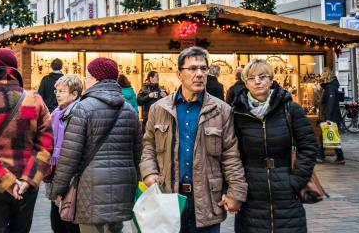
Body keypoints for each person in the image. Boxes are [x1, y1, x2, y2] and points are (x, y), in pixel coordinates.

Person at [140, 47, 246, 233]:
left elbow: (230, 155)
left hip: (207, 200)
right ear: (179, 74)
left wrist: (236, 192)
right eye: (193, 69)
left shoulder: (221, 110)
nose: (199, 74)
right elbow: (148, 145)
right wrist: (149, 173)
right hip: (168, 197)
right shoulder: (160, 109)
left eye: (203, 69)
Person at [0, 48, 52, 233]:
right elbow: (45, 145)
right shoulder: (35, 99)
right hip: (25, 183)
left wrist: (6, 181)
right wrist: (27, 180)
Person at [51, 57, 141, 233]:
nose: (85, 80)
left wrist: (58, 189)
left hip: (90, 188)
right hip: (123, 187)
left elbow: (70, 155)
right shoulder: (129, 110)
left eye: (87, 76)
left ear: (95, 79)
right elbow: (137, 153)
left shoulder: (83, 108)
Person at [231, 59, 317, 233]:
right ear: (245, 83)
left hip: (286, 189)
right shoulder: (237, 113)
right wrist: (236, 187)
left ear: (271, 79)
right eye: (251, 78)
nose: (257, 81)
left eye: (262, 76)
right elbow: (232, 153)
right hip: (252, 190)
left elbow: (308, 146)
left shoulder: (290, 109)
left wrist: (296, 181)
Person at [45, 75, 82, 233]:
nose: (58, 94)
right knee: (56, 219)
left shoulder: (79, 113)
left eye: (62, 91)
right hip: (55, 172)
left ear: (74, 94)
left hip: (71, 173)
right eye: (57, 91)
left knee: (68, 218)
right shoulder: (56, 113)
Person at [317, 67, 345, 164]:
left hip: (330, 117)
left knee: (326, 136)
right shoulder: (329, 87)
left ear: (326, 75)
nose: (321, 76)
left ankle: (321, 156)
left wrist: (328, 118)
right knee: (328, 136)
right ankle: (338, 157)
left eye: (322, 74)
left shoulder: (330, 88)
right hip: (329, 116)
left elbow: (330, 103)